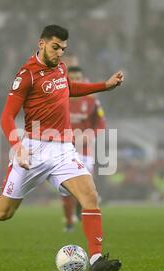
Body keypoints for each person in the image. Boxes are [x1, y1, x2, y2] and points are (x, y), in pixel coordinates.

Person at [0, 25, 123, 271]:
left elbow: (70, 88)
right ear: (41, 44)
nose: (60, 53)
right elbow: (6, 117)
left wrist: (104, 85)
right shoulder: (26, 75)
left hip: (63, 151)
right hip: (33, 150)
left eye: (63, 48)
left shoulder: (59, 67)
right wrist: (17, 146)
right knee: (2, 212)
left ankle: (96, 260)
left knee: (90, 196)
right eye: (55, 47)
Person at [62, 66, 106, 232]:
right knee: (66, 189)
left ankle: (81, 209)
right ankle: (69, 222)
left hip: (85, 150)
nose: (76, 81)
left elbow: (100, 124)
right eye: (72, 79)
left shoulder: (91, 101)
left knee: (85, 187)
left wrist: (89, 135)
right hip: (63, 149)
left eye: (78, 78)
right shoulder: (59, 99)